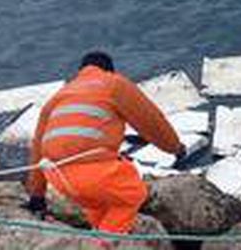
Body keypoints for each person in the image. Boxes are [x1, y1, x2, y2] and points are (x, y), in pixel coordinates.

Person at [25, 51, 186, 233]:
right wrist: (175, 148)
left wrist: (37, 196)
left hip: (58, 176)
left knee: (98, 203)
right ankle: (102, 243)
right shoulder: (114, 83)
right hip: (91, 171)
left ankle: (98, 231)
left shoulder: (59, 96)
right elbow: (151, 122)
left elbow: (37, 147)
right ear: (109, 70)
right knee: (133, 194)